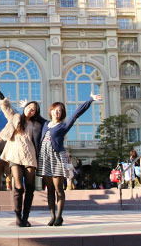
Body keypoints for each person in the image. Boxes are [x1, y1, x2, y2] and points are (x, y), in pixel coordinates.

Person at [37, 92, 102, 226]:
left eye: (60, 111)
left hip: (56, 157)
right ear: (51, 111)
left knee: (58, 188)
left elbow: (76, 114)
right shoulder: (45, 124)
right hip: (45, 158)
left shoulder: (63, 126)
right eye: (55, 110)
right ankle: (52, 216)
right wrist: (26, 105)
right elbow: (33, 114)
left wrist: (90, 100)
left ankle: (59, 216)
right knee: (49, 189)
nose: (57, 112)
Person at [0, 80, 43, 227]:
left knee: (30, 188)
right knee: (18, 186)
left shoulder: (36, 124)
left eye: (34, 110)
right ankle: (18, 216)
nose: (30, 110)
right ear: (25, 107)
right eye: (29, 107)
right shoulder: (15, 117)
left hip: (30, 157)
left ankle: (26, 217)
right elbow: (5, 106)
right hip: (15, 156)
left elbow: (47, 125)